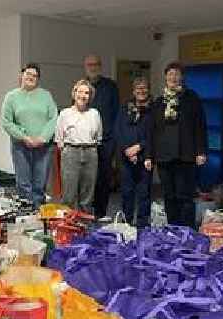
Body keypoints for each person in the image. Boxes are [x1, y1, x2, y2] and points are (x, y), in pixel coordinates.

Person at [145, 61, 207, 228]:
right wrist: (149, 156)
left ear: (182, 77)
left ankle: (187, 230)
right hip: (164, 157)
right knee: (169, 195)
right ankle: (173, 230)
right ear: (166, 77)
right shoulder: (158, 103)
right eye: (170, 74)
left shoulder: (191, 98)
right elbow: (152, 131)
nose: (173, 77)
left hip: (186, 155)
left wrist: (201, 151)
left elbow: (200, 126)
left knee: (185, 196)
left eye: (176, 74)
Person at [1, 63, 58, 207]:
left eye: (35, 76)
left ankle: (39, 215)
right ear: (22, 75)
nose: (31, 77)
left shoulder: (46, 96)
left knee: (40, 184)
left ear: (38, 79)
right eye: (28, 74)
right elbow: (6, 122)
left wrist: (42, 138)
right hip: (20, 146)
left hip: (43, 147)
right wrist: (23, 137)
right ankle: (26, 216)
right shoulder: (11, 97)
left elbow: (54, 118)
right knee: (24, 184)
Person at [55, 79, 102, 213]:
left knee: (87, 195)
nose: (83, 95)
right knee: (69, 194)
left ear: (90, 96)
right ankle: (68, 228)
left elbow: (98, 137)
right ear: (74, 93)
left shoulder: (95, 114)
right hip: (71, 152)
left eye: (86, 93)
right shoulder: (65, 114)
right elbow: (59, 139)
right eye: (80, 91)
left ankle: (84, 226)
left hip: (90, 153)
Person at [83, 54, 119, 218]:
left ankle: (101, 213)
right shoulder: (81, 87)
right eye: (89, 64)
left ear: (100, 66)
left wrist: (113, 138)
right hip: (85, 142)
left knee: (103, 178)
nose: (93, 67)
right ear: (85, 67)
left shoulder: (110, 86)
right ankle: (85, 213)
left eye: (96, 64)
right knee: (87, 179)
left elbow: (116, 112)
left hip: (106, 141)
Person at [115, 77, 153, 228]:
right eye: (138, 88)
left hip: (145, 157)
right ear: (133, 91)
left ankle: (143, 225)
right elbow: (118, 130)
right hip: (126, 158)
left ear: (148, 90)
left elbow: (154, 134)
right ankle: (127, 223)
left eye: (144, 88)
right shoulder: (125, 108)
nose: (141, 91)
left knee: (144, 194)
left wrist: (139, 147)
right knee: (127, 192)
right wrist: (127, 150)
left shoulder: (153, 109)